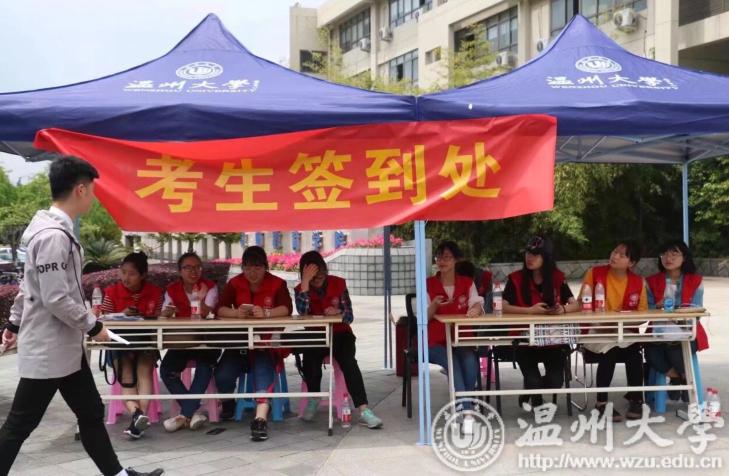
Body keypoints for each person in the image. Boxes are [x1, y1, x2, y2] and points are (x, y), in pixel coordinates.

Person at [0, 156, 163, 476]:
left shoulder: (51, 232)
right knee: (20, 424)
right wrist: (93, 326)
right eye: (92, 190)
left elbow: (28, 287)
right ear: (80, 189)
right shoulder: (53, 236)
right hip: (49, 349)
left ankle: (117, 474)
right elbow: (55, 297)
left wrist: (14, 323)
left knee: (90, 412)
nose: (93, 197)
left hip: (64, 349)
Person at [295, 251, 383, 429]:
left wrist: (338, 312)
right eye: (313, 278)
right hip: (316, 335)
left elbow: (349, 316)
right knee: (310, 361)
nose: (317, 281)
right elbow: (302, 312)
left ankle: (364, 409)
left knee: (349, 363)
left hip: (341, 334)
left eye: (320, 276)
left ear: (325, 271)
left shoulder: (339, 284)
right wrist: (305, 283)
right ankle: (314, 398)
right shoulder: (301, 289)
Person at [214, 246, 292, 442]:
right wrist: (236, 313)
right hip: (239, 343)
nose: (252, 273)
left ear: (265, 267)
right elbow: (219, 309)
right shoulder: (235, 283)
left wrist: (267, 313)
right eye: (248, 268)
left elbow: (287, 308)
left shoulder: (277, 284)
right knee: (223, 375)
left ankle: (260, 419)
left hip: (265, 343)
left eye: (257, 268)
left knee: (263, 371)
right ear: (242, 268)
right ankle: (228, 402)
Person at [502, 236, 579, 408]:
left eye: (535, 254)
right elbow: (503, 306)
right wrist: (529, 311)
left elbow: (576, 304)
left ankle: (530, 390)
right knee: (533, 381)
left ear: (547, 257)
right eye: (528, 253)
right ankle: (533, 389)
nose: (529, 258)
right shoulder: (515, 278)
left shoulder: (557, 278)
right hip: (525, 341)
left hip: (553, 341)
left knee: (555, 382)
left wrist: (563, 309)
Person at [578, 240, 647, 422]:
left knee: (634, 353)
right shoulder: (594, 273)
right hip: (595, 329)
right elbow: (582, 303)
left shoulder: (638, 282)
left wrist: (620, 325)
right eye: (614, 251)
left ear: (631, 263)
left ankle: (636, 399)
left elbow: (642, 315)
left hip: (623, 330)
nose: (615, 256)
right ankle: (601, 402)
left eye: (622, 255)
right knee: (611, 351)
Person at [98, 251, 163, 439]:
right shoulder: (111, 292)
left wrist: (162, 314)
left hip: (145, 341)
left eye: (132, 273)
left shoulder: (155, 292)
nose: (126, 277)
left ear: (143, 275)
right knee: (126, 375)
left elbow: (159, 317)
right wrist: (122, 314)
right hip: (118, 342)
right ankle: (138, 415)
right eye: (123, 272)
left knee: (144, 371)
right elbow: (104, 318)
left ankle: (138, 417)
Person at [159, 252, 221, 432]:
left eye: (197, 267)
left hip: (207, 339)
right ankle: (193, 412)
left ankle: (183, 414)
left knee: (205, 367)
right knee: (166, 370)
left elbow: (205, 312)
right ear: (180, 271)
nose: (193, 271)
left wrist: (199, 297)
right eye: (188, 268)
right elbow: (164, 313)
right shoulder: (171, 289)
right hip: (182, 339)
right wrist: (166, 314)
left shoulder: (210, 287)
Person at [426, 241, 484, 417]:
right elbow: (422, 318)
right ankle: (466, 410)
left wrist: (476, 309)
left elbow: (477, 304)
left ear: (456, 260)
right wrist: (434, 305)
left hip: (461, 338)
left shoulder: (467, 283)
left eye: (447, 257)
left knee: (470, 362)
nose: (442, 261)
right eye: (439, 257)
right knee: (453, 364)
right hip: (435, 341)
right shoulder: (428, 284)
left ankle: (463, 404)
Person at [645, 240, 706, 401]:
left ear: (684, 257)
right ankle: (680, 378)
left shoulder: (696, 280)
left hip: (687, 332)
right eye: (664, 254)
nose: (668, 258)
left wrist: (678, 313)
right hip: (659, 331)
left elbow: (697, 310)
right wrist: (656, 307)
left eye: (674, 253)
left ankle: (681, 380)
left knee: (674, 348)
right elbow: (646, 310)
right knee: (650, 352)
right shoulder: (651, 281)